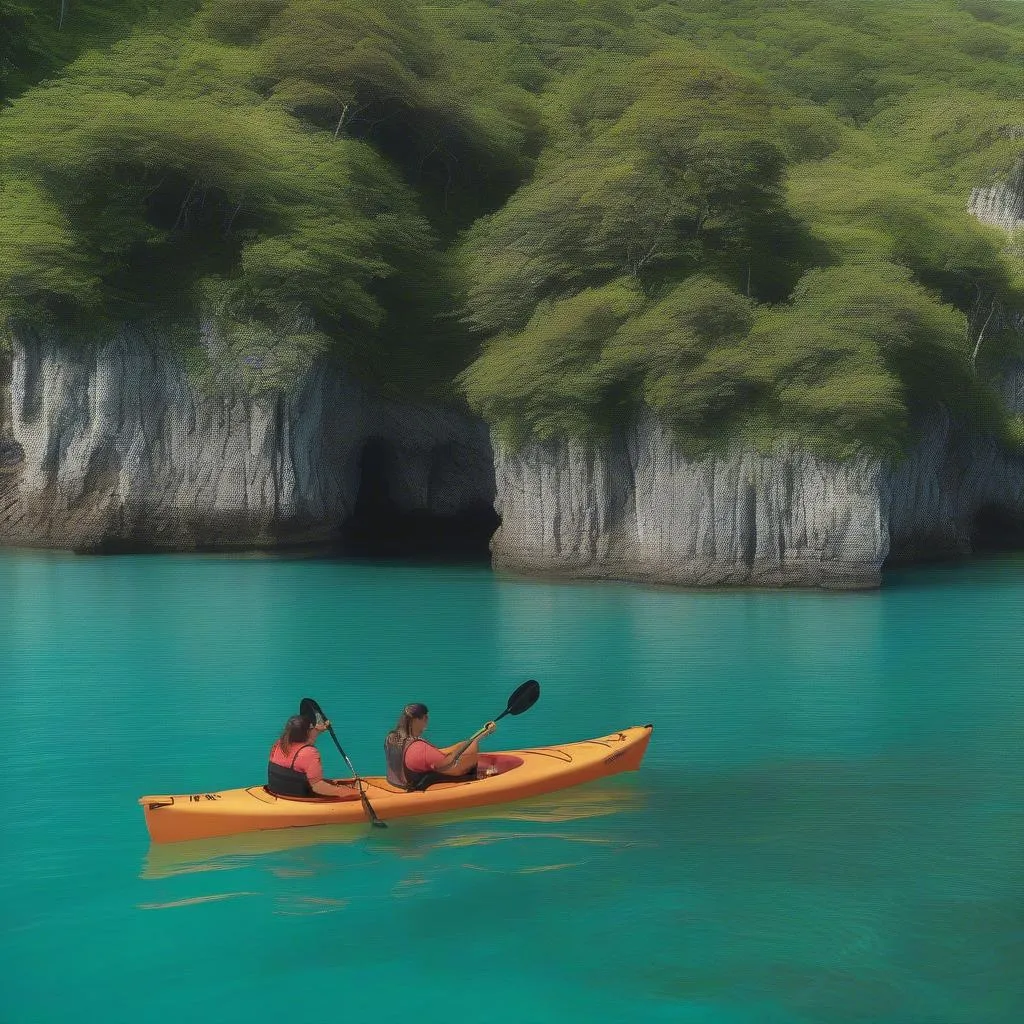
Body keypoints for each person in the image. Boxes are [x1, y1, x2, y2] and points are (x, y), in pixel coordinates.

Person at [384, 702, 496, 791]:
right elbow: (452, 767)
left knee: (464, 744)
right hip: (416, 786)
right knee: (472, 750)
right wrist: (475, 741)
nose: (427, 721)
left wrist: (480, 734)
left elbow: (431, 755)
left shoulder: (392, 738)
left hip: (397, 783)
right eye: (424, 718)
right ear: (415, 720)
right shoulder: (420, 749)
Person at [267, 713, 355, 797]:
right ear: (308, 731)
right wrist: (349, 792)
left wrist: (318, 729)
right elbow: (318, 787)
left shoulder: (278, 744)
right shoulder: (309, 753)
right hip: (298, 800)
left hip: (277, 792)